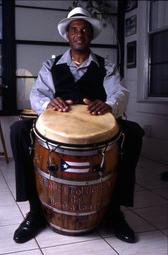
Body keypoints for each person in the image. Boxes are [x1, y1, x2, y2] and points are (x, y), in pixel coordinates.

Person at [10, 7, 144, 244]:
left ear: (91, 36)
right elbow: (38, 95)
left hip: (98, 126)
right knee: (18, 130)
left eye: (84, 30)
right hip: (57, 125)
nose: (79, 34)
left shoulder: (107, 66)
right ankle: (35, 212)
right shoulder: (50, 66)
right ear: (68, 35)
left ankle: (114, 214)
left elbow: (120, 92)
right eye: (74, 30)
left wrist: (109, 106)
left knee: (133, 132)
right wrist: (48, 103)